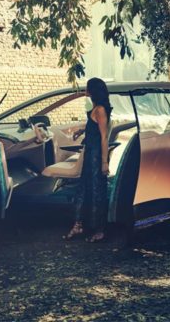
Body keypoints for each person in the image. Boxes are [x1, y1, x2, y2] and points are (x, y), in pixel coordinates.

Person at [64, 77, 112, 243]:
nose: (85, 91)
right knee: (85, 189)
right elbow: (94, 128)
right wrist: (81, 130)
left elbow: (104, 137)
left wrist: (104, 162)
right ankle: (79, 225)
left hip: (96, 156)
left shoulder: (100, 109)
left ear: (93, 91)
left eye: (87, 88)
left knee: (96, 192)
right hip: (90, 153)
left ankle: (99, 230)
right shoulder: (97, 109)